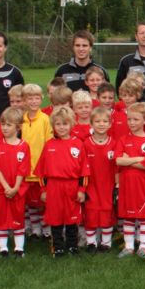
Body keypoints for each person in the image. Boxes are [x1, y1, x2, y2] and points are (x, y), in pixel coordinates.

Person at [36, 107, 89, 257]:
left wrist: (81, 190)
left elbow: (84, 171)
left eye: (65, 124)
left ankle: (72, 245)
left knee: (72, 217)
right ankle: (58, 246)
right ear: (53, 125)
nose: (61, 127)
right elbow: (41, 172)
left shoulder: (78, 144)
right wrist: (43, 190)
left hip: (72, 185)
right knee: (55, 217)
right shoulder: (49, 145)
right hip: (54, 186)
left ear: (71, 124)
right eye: (58, 124)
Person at [115, 103, 145, 259]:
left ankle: (144, 247)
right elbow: (118, 161)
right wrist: (139, 158)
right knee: (128, 215)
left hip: (142, 184)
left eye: (136, 119)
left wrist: (129, 159)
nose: (131, 122)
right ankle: (129, 246)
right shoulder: (123, 139)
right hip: (126, 183)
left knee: (144, 215)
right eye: (129, 119)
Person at [0, 108, 30, 258]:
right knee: (1, 216)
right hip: (2, 189)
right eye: (3, 124)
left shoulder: (24, 146)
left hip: (18, 189)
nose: (4, 128)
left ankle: (19, 248)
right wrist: (6, 187)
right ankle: (3, 248)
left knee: (18, 215)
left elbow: (23, 169)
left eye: (8, 125)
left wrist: (15, 187)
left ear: (18, 127)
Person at [84, 106, 118, 253]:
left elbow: (117, 167)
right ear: (91, 124)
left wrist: (117, 185)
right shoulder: (86, 144)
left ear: (110, 124)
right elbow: (82, 168)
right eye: (97, 121)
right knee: (90, 213)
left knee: (107, 213)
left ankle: (106, 242)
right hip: (91, 185)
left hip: (107, 185)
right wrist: (83, 187)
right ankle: (91, 242)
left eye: (105, 121)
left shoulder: (114, 143)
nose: (101, 124)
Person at [21, 84, 52, 240]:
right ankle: (35, 230)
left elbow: (49, 143)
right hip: (26, 169)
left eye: (36, 98)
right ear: (24, 100)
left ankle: (46, 230)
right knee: (30, 202)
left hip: (41, 169)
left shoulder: (45, 119)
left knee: (43, 201)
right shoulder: (21, 120)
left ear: (41, 99)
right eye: (30, 98)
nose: (33, 101)